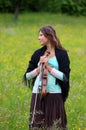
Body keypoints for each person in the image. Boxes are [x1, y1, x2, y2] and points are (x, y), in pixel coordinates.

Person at [23, 25, 70, 130]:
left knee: (54, 126)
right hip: (38, 94)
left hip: (55, 95)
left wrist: (48, 67)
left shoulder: (62, 54)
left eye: (41, 35)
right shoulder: (37, 54)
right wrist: (39, 68)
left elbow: (64, 77)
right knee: (37, 125)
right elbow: (27, 76)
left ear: (49, 36)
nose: (38, 38)